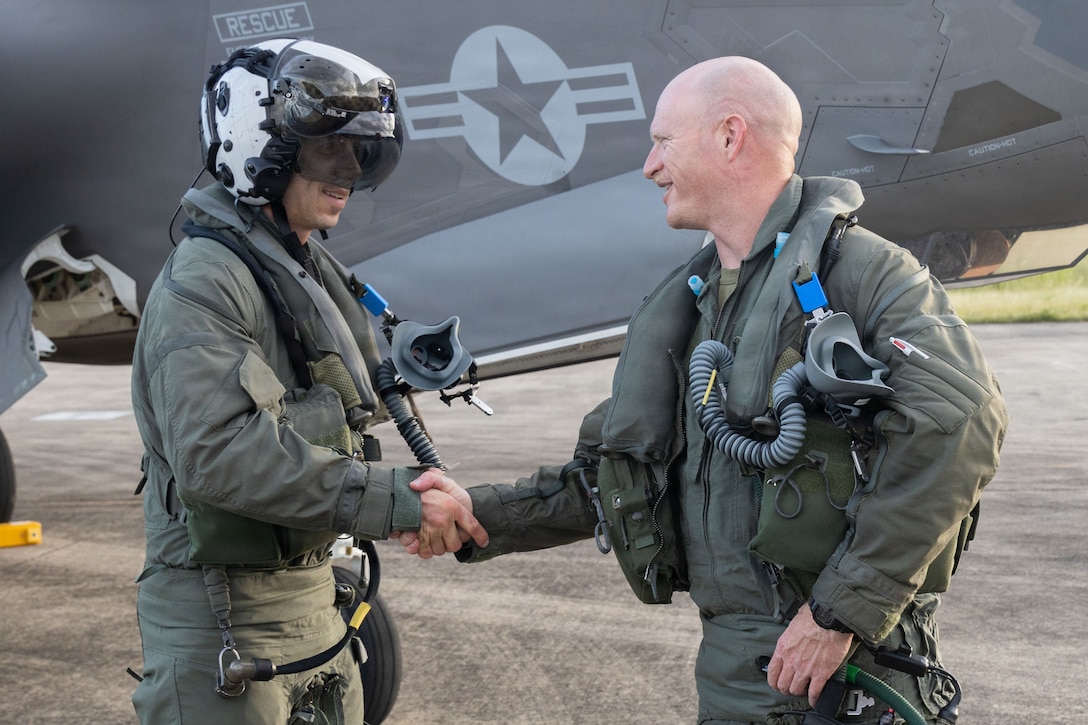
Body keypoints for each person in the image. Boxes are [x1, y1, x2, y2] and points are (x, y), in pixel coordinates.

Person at [399, 56, 1007, 724]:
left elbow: (963, 420)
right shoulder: (691, 307)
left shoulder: (861, 274)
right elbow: (610, 477)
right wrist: (474, 517)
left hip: (846, 673)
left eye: (664, 142)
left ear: (728, 137)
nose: (649, 166)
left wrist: (839, 612)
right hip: (738, 678)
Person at [129, 38, 486, 724]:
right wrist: (399, 502)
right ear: (255, 144)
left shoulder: (297, 266)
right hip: (226, 633)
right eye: (329, 150)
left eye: (358, 151)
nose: (348, 172)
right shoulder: (205, 282)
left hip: (314, 614)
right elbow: (219, 454)